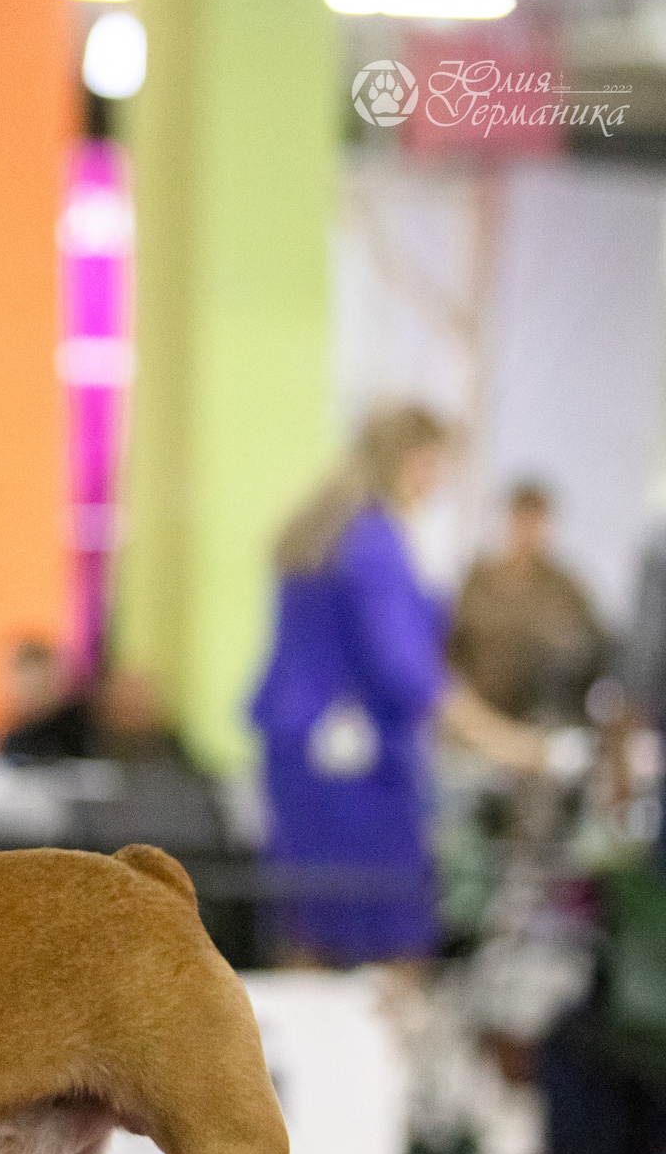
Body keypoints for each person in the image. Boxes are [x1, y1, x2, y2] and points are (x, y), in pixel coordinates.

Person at [250, 405, 543, 968]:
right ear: (412, 461)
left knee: (306, 937)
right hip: (359, 777)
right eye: (436, 468)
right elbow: (410, 674)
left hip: (298, 761)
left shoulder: (319, 530)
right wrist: (514, 746)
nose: (437, 484)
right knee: (397, 947)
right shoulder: (374, 541)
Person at [448, 481, 607, 726]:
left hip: (542, 718)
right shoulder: (480, 579)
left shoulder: (564, 585)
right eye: (523, 519)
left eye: (537, 520)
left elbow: (597, 646)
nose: (529, 530)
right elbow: (453, 643)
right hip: (482, 715)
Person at [0, 639, 94, 762]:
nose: (31, 691)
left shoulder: (81, 728)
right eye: (25, 684)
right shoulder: (13, 739)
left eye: (37, 683)